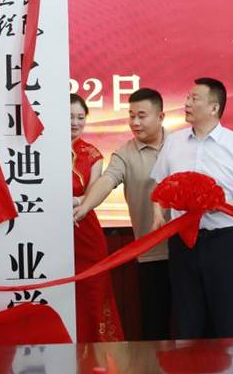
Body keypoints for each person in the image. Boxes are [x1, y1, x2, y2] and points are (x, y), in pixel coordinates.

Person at [150, 78, 233, 339]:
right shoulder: (174, 142)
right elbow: (159, 189)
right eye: (187, 98)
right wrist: (158, 214)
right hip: (182, 242)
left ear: (214, 107)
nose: (187, 103)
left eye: (194, 98)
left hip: (223, 242)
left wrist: (220, 206)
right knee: (187, 317)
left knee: (224, 317)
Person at [74, 87, 172, 340]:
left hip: (189, 249)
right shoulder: (124, 153)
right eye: (131, 115)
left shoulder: (181, 145)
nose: (135, 122)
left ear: (161, 117)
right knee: (156, 326)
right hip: (151, 252)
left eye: (142, 116)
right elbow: (107, 180)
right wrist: (85, 206)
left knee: (190, 324)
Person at [70, 93, 124, 342]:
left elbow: (92, 194)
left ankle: (96, 350)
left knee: (92, 290)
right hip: (49, 232)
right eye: (69, 116)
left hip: (84, 231)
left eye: (80, 117)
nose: (75, 122)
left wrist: (77, 202)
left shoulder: (92, 155)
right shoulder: (39, 152)